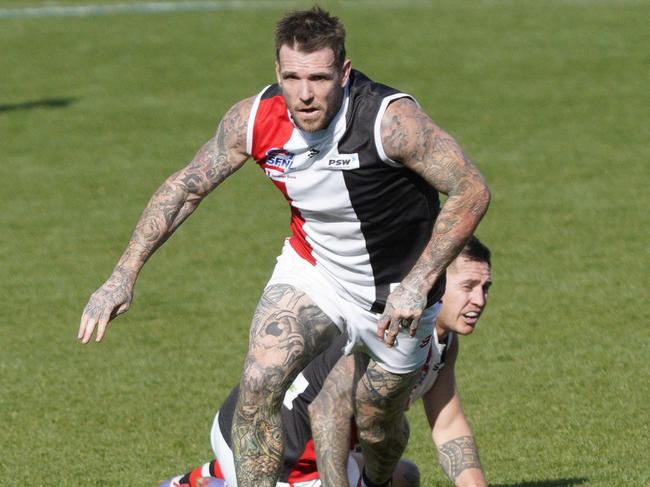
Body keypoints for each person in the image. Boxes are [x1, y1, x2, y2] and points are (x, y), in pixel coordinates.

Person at [78, 7, 490, 487]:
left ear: (345, 73)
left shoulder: (389, 121)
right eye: (292, 77)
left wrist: (419, 283)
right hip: (317, 270)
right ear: (277, 72)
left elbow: (471, 188)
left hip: (399, 295)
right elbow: (185, 188)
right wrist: (123, 273)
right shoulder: (254, 120)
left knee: (379, 426)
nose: (305, 93)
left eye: (319, 77)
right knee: (260, 380)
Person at [159, 237, 492, 487]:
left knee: (405, 476)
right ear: (436, 284)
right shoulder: (388, 334)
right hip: (270, 452)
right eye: (468, 286)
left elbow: (449, 426)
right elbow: (326, 413)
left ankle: (210, 478)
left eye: (485, 287)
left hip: (293, 445)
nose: (479, 300)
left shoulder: (442, 343)